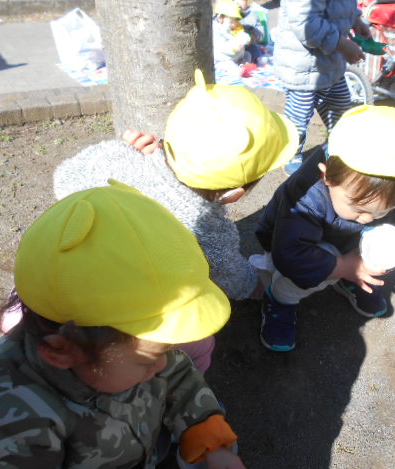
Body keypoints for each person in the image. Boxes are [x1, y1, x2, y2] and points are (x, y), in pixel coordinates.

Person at [0, 181, 252, 469]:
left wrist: (209, 438)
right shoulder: (11, 423)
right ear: (63, 352)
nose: (163, 364)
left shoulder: (132, 347)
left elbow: (177, 375)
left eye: (164, 351)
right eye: (149, 360)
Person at [51, 70, 297, 370]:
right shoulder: (207, 227)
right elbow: (229, 275)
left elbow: (64, 178)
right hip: (131, 316)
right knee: (199, 346)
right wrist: (257, 286)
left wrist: (118, 149)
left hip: (63, 280)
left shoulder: (116, 157)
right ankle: (176, 383)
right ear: (235, 193)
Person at [254, 105, 395, 351]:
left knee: (379, 242)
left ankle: (348, 278)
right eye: (358, 209)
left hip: (344, 237)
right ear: (327, 177)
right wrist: (346, 266)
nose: (367, 219)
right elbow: (291, 254)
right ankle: (280, 299)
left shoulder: (392, 184)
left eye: (381, 211)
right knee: (307, 266)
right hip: (295, 245)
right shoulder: (305, 198)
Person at [274, 0, 372, 174]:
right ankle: (290, 152)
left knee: (341, 107)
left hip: (331, 62)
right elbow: (305, 22)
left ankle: (335, 149)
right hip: (303, 65)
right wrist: (342, 44)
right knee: (299, 115)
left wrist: (356, 20)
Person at [213, 0, 253, 74]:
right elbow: (221, 47)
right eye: (231, 22)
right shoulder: (217, 30)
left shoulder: (233, 28)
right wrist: (234, 47)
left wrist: (246, 39)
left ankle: (243, 65)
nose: (234, 25)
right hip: (224, 58)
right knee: (228, 65)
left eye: (236, 21)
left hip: (237, 56)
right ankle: (233, 69)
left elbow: (241, 35)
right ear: (220, 18)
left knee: (248, 54)